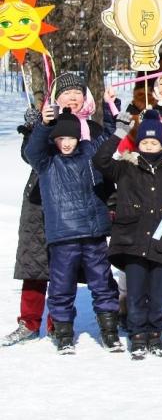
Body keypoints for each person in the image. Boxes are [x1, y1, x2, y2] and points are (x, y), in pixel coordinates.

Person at [3, 74, 107, 346]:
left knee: (67, 267)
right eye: (67, 93)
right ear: (55, 97)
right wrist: (37, 125)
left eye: (78, 93)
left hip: (81, 208)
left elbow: (105, 162)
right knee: (35, 263)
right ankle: (29, 321)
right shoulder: (46, 122)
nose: (73, 98)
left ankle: (58, 324)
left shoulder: (93, 130)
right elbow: (29, 155)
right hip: (41, 201)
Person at [25, 99, 119, 355]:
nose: (66, 142)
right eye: (61, 138)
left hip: (93, 233)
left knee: (103, 283)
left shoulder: (90, 155)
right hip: (63, 235)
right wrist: (44, 124)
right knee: (61, 286)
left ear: (79, 138)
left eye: (71, 138)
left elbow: (110, 140)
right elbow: (32, 150)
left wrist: (111, 108)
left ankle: (110, 333)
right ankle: (64, 334)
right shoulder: (46, 162)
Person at [94, 109, 162, 359]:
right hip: (131, 240)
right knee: (135, 294)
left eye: (154, 142)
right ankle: (137, 335)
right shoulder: (125, 167)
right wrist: (119, 133)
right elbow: (99, 161)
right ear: (138, 143)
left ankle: (156, 335)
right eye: (145, 141)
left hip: (161, 242)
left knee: (158, 295)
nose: (149, 146)